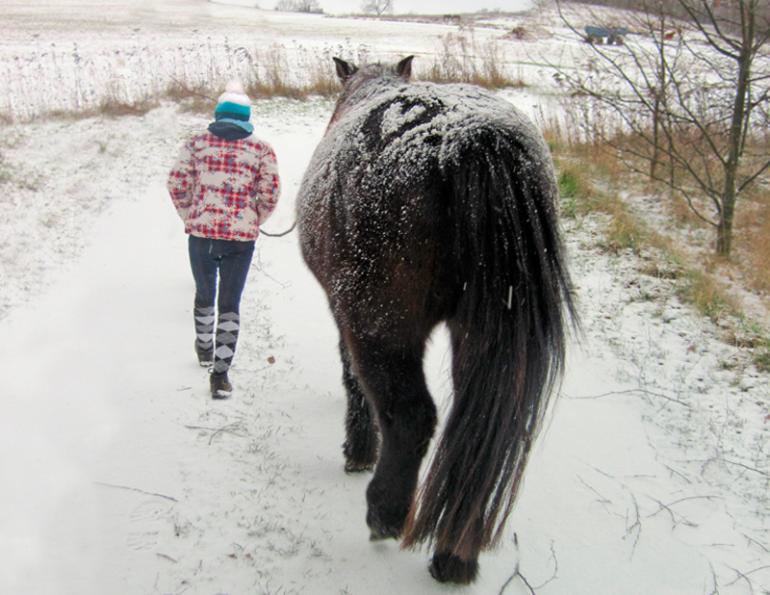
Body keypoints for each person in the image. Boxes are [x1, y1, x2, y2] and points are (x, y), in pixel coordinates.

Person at [167, 81, 280, 399]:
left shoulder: (196, 144)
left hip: (201, 237)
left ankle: (204, 347)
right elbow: (270, 193)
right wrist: (253, 218)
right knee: (229, 305)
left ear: (218, 115)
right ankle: (220, 376)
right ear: (246, 117)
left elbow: (176, 183)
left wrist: (191, 215)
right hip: (239, 242)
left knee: (205, 293)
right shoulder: (261, 150)